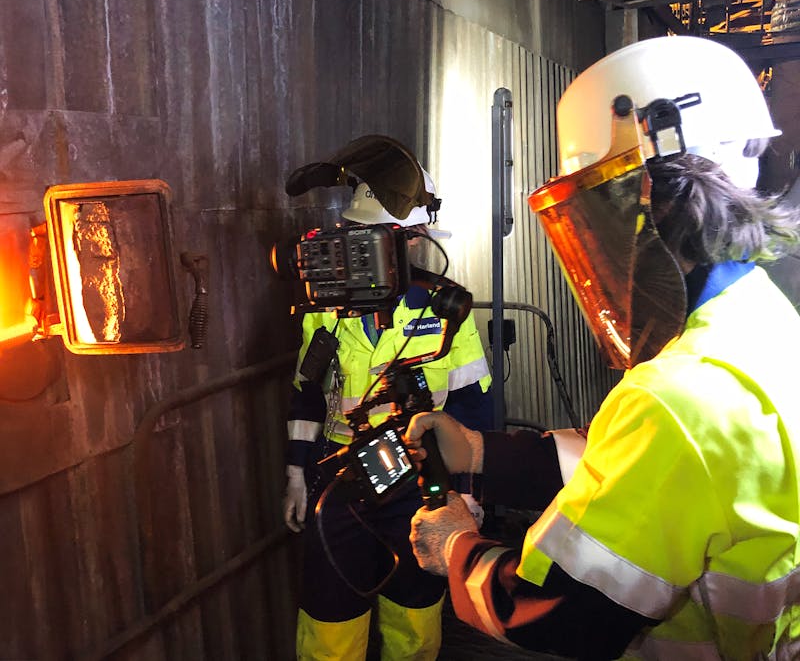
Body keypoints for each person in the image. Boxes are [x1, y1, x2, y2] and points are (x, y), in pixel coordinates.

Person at [405, 35, 800, 659]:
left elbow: (560, 614)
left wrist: (456, 545)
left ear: (656, 198)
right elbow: (651, 468)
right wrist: (482, 452)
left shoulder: (676, 394)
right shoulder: (760, 316)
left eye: (596, 212)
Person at [284, 156, 492, 660]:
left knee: (415, 618)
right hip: (337, 480)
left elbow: (473, 408)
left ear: (415, 239)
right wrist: (294, 473)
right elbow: (306, 395)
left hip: (421, 479)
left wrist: (468, 494)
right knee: (329, 619)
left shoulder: (446, 307)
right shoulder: (324, 305)